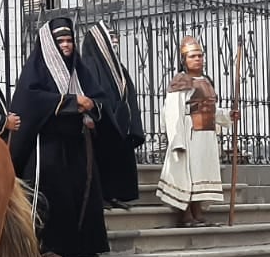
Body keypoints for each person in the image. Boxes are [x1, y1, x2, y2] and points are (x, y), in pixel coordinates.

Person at [9, 18, 109, 257]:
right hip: (47, 143)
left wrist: (90, 106)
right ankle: (44, 246)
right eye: (61, 41)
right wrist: (72, 102)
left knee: (82, 192)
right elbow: (30, 100)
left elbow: (98, 98)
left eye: (69, 41)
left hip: (77, 143)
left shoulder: (79, 69)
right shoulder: (37, 68)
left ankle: (82, 245)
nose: (66, 46)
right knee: (50, 195)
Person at [157, 36, 236, 227]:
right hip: (189, 133)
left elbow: (209, 109)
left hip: (206, 135)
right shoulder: (181, 82)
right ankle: (186, 215)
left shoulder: (206, 81)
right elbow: (173, 112)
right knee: (188, 175)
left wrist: (228, 115)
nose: (198, 59)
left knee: (201, 174)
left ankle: (198, 212)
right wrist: (177, 140)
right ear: (184, 59)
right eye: (193, 56)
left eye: (200, 55)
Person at [76, 22, 144, 210]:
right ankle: (102, 196)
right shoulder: (89, 65)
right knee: (100, 161)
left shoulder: (117, 66)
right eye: (111, 37)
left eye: (116, 37)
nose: (115, 41)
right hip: (100, 124)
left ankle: (115, 194)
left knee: (117, 160)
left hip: (118, 122)